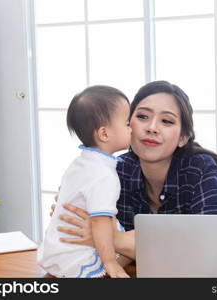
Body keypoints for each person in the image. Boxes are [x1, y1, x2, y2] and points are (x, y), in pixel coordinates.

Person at [52, 80, 217, 262]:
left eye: (167, 121)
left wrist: (107, 237)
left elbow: (204, 249)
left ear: (183, 137)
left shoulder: (201, 168)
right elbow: (123, 247)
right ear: (127, 125)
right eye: (142, 117)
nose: (152, 128)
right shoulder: (116, 170)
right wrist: (76, 209)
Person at [37, 85, 132, 278]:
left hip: (55, 250)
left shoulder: (81, 162)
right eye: (127, 123)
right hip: (76, 257)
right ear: (104, 134)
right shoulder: (104, 175)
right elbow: (100, 221)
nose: (132, 128)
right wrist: (110, 262)